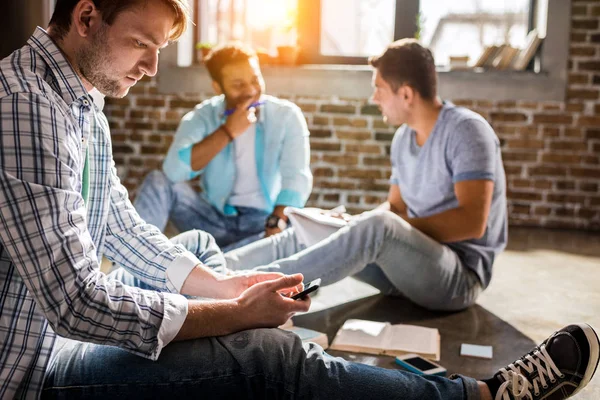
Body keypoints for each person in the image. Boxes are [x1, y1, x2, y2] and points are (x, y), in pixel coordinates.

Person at [1, 1, 598, 399]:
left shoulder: (79, 102)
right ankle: (482, 397)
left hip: (449, 270)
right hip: (37, 370)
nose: (154, 67)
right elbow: (75, 302)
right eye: (141, 44)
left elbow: (118, 229)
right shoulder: (29, 108)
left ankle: (249, 286)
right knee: (267, 352)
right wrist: (234, 312)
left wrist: (223, 291)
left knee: (212, 258)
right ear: (85, 18)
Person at [223, 39, 508, 313]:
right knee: (309, 226)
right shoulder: (403, 138)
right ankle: (216, 271)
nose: (374, 98)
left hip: (457, 279)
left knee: (378, 225)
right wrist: (350, 225)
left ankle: (240, 289)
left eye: (379, 89)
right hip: (404, 272)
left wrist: (371, 227)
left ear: (406, 94)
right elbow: (395, 208)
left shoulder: (467, 130)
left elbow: (472, 223)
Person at [133, 42, 312, 250]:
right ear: (218, 88)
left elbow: (296, 180)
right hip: (211, 220)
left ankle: (220, 262)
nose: (251, 90)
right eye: (238, 85)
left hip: (262, 224)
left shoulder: (287, 116)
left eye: (255, 79)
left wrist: (275, 224)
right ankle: (133, 265)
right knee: (157, 181)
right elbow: (173, 172)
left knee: (297, 232)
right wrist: (227, 131)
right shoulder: (203, 115)